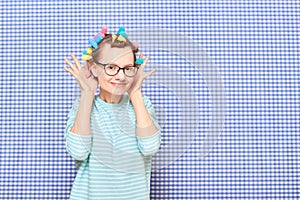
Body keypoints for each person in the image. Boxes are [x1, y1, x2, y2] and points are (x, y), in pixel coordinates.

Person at [63, 26, 161, 199]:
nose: (121, 77)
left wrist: (135, 92)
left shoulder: (141, 104)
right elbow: (78, 151)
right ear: (94, 69)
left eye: (127, 68)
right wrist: (87, 94)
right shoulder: (83, 106)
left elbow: (150, 147)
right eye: (111, 67)